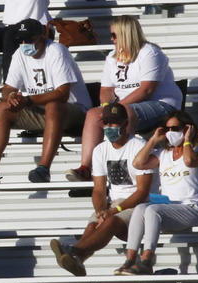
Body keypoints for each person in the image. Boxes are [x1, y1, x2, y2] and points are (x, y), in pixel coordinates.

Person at [0, 18, 91, 184]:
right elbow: (7, 88)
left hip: (75, 111)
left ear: (42, 36)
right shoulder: (20, 53)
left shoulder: (57, 51)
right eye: (21, 40)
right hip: (43, 109)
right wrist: (11, 96)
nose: (25, 43)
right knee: (1, 108)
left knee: (54, 106)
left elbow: (63, 94)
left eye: (29, 39)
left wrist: (27, 100)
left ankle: (43, 169)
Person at [68, 16, 181, 182]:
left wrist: (116, 110)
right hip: (126, 105)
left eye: (114, 35)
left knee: (124, 113)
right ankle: (86, 167)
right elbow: (106, 89)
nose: (112, 39)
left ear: (126, 34)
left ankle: (125, 168)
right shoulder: (112, 57)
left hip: (161, 103)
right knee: (93, 114)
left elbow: (147, 89)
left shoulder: (150, 53)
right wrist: (107, 107)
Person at [50, 103, 154, 277]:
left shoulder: (138, 146)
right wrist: (100, 210)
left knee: (110, 221)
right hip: (116, 203)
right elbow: (98, 189)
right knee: (94, 223)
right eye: (106, 123)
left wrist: (113, 210)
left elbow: (143, 191)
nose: (109, 127)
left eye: (114, 123)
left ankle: (75, 252)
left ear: (125, 123)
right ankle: (77, 258)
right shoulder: (100, 150)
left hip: (141, 203)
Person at [122, 111, 198, 275]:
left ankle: (147, 260)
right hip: (170, 206)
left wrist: (188, 140)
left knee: (153, 210)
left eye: (175, 128)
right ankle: (130, 259)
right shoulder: (164, 154)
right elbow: (138, 164)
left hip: (191, 207)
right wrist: (153, 139)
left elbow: (189, 161)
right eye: (167, 129)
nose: (170, 133)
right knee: (141, 208)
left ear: (187, 128)